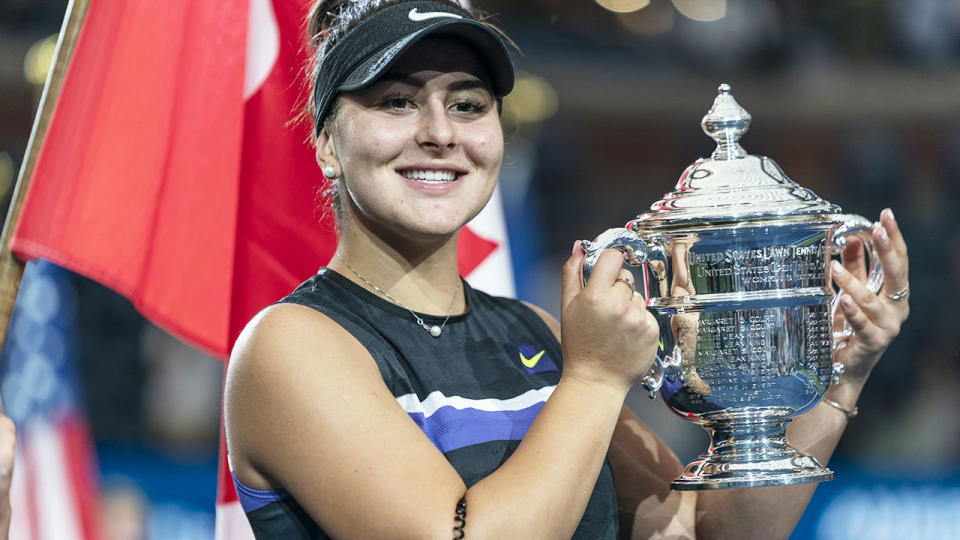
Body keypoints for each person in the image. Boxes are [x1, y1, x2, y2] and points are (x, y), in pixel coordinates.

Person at [223, 1, 911, 538]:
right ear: (327, 147)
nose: (439, 131)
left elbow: (704, 534)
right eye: (396, 102)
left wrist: (839, 376)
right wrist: (592, 378)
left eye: (467, 104)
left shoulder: (538, 337)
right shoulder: (290, 346)